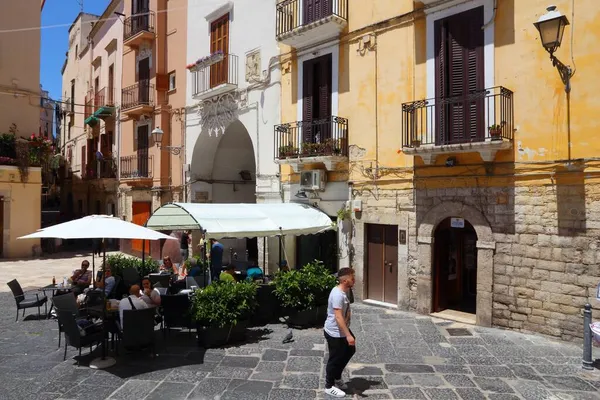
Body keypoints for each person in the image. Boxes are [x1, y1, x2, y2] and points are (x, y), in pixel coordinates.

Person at [323, 268, 356, 398]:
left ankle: (337, 376)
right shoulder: (337, 294)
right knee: (335, 359)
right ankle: (329, 386)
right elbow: (338, 317)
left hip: (341, 330)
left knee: (350, 350)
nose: (354, 280)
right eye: (352, 278)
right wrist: (348, 335)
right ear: (345, 280)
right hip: (335, 333)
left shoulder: (344, 291)